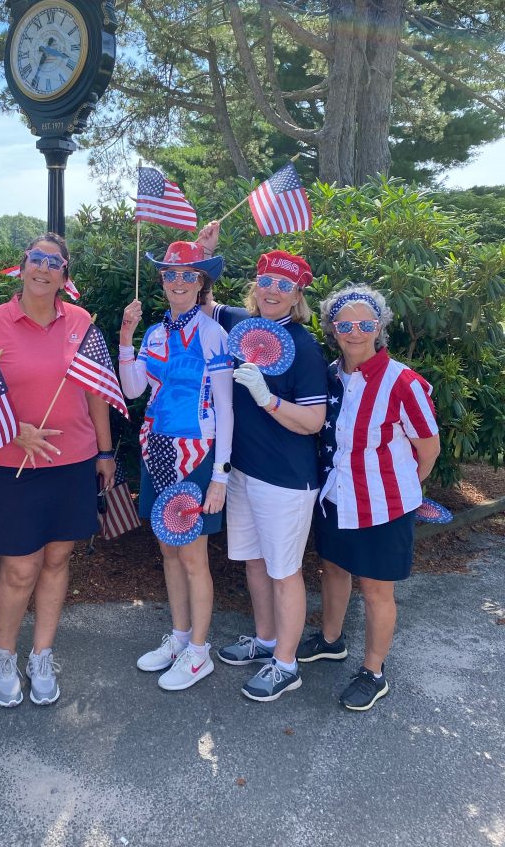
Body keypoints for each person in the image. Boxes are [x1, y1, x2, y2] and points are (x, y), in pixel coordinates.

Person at [0, 233, 116, 708]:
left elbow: (96, 392)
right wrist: (16, 431)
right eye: (36, 259)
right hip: (12, 464)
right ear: (22, 265)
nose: (44, 268)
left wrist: (106, 454)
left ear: (64, 276)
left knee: (56, 560)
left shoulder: (82, 321)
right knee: (20, 568)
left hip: (72, 463)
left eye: (55, 262)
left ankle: (42, 654)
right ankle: (4, 655)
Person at [198, 223, 328, 702]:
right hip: (243, 473)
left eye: (284, 286)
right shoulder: (237, 323)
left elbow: (313, 421)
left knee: (283, 570)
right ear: (257, 288)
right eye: (267, 282)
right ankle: (267, 640)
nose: (273, 291)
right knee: (253, 563)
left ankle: (287, 664)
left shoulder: (306, 346)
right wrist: (204, 255)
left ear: (296, 296)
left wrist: (268, 399)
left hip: (287, 480)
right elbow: (197, 301)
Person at [297, 284, 440, 711]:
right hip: (336, 498)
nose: (355, 332)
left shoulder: (403, 382)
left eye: (365, 324)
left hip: (383, 506)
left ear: (379, 327)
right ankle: (331, 639)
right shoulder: (328, 375)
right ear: (332, 329)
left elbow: (428, 449)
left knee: (377, 591)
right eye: (345, 324)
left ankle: (374, 672)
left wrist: (400, 489)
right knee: (334, 571)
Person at [120, 241, 233, 691]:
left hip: (199, 453)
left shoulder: (214, 335)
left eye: (189, 274)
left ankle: (200, 652)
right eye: (171, 273)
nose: (179, 281)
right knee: (168, 548)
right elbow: (132, 391)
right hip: (156, 448)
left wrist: (220, 475)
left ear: (201, 281)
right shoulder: (154, 333)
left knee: (193, 556)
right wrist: (126, 338)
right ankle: (180, 637)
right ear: (162, 280)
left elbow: (226, 410)